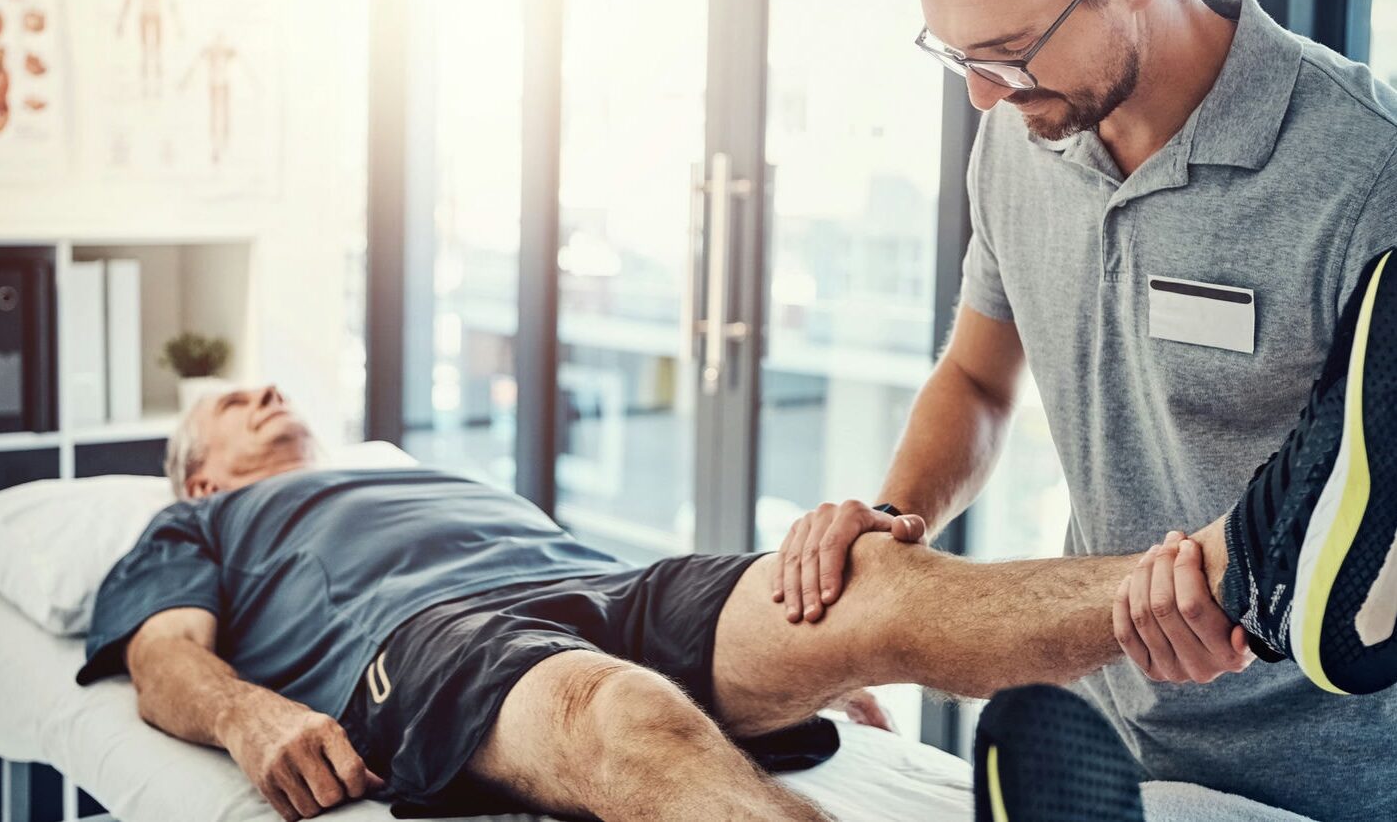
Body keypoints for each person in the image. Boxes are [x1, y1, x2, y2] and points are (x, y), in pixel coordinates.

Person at [76, 243, 1397, 821]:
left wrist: (804, 665)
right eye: (238, 406)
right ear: (198, 476)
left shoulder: (422, 471)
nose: (267, 395)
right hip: (430, 645)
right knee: (614, 714)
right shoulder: (213, 523)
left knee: (868, 587)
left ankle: (1254, 566)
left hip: (603, 575)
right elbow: (162, 657)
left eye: (272, 384)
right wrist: (251, 719)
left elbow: (601, 574)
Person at [774, 0, 1397, 818]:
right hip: (1089, 736)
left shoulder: (1363, 168)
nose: (983, 93)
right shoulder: (1022, 133)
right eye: (958, 56)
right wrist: (894, 529)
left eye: (1010, 49)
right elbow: (980, 380)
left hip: (1320, 767)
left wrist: (1248, 614)